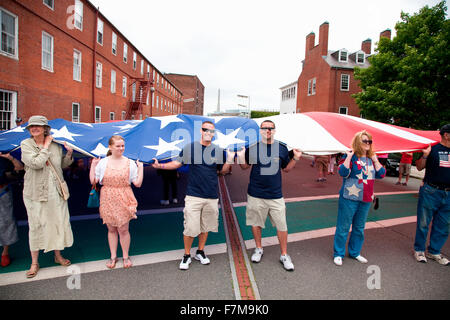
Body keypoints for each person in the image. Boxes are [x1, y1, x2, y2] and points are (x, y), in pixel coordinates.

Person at [152, 121, 233, 270]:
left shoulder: (219, 151)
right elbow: (176, 164)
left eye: (212, 131)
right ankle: (187, 255)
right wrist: (160, 166)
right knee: (190, 227)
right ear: (201, 131)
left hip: (211, 196)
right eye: (205, 130)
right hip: (194, 195)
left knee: (205, 226)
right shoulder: (191, 147)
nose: (209, 132)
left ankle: (200, 252)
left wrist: (229, 159)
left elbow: (223, 171)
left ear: (214, 134)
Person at [234, 120, 302, 271]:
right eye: (264, 128)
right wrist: (240, 156)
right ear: (260, 131)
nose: (268, 131)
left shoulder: (282, 148)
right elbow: (244, 167)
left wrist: (296, 158)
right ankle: (259, 248)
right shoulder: (253, 147)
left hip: (275, 194)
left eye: (270, 128)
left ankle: (284, 254)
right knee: (256, 223)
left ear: (274, 131)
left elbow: (287, 169)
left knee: (282, 225)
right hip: (255, 193)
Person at [20, 115, 74, 278]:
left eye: (38, 126)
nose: (34, 128)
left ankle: (57, 256)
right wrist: (46, 146)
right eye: (32, 126)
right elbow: (36, 163)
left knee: (56, 223)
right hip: (35, 193)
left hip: (55, 191)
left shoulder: (56, 146)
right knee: (36, 226)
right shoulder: (26, 145)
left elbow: (61, 166)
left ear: (45, 128)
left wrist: (68, 154)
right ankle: (34, 262)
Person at [90, 135, 144, 269]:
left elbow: (137, 183)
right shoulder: (103, 162)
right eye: (118, 146)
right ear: (110, 147)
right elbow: (94, 181)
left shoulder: (130, 163)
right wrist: (93, 165)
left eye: (123, 146)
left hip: (124, 197)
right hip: (107, 197)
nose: (121, 148)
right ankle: (113, 256)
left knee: (124, 229)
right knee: (111, 229)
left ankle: (126, 256)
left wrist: (141, 167)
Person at [333, 130, 386, 266]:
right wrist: (349, 157)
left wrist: (375, 159)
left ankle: (355, 252)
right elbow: (343, 172)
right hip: (349, 198)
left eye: (369, 141)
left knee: (359, 228)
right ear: (358, 142)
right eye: (365, 141)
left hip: (366, 199)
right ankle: (338, 253)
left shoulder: (371, 159)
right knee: (343, 227)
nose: (368, 143)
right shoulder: (349, 156)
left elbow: (381, 174)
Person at [413, 124, 450, 265]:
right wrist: (425, 155)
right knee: (424, 222)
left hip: (448, 194)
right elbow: (419, 166)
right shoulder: (432, 149)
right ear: (446, 135)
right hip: (431, 191)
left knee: (444, 224)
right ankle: (419, 250)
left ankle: (434, 251)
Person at [0, 152, 23, 267]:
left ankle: (5, 253)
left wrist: (10, 158)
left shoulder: (4, 151)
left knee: (6, 222)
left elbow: (19, 169)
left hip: (2, 191)